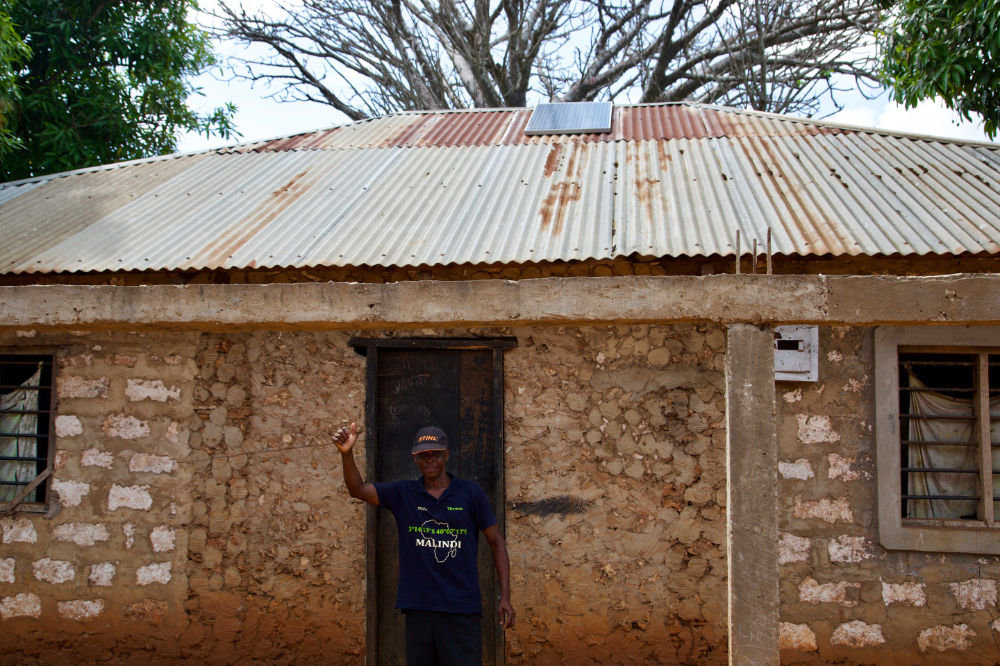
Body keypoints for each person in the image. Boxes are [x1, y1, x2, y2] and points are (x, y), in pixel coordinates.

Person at [333, 422, 515, 666]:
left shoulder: (470, 493)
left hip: (462, 609)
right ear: (415, 459)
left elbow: (497, 543)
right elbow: (357, 489)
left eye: (435, 455)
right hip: (420, 609)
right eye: (423, 456)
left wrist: (505, 597)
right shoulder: (403, 494)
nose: (429, 461)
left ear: (446, 455)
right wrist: (347, 454)